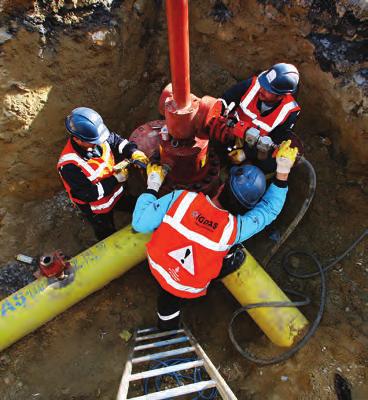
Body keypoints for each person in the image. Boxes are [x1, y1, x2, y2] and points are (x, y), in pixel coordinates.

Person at [132, 140, 298, 330]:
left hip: (156, 264)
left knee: (168, 296)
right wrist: (283, 171)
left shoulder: (183, 199)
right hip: (190, 286)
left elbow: (140, 223)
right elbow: (269, 210)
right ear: (248, 209)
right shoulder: (234, 229)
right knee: (235, 255)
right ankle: (170, 325)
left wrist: (153, 183)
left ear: (221, 187)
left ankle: (166, 326)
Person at [57, 107, 149, 241]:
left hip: (118, 192)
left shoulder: (97, 137)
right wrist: (116, 179)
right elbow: (88, 194)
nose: (100, 142)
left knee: (132, 203)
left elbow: (117, 141)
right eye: (95, 141)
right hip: (98, 210)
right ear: (77, 139)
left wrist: (134, 152)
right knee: (106, 233)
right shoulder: (69, 165)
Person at [219, 63, 300, 173]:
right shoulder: (252, 85)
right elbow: (226, 99)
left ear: (281, 96)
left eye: (268, 90)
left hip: (257, 146)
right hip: (232, 128)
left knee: (271, 164)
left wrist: (246, 154)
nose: (261, 90)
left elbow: (277, 140)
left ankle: (250, 170)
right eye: (263, 85)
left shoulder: (289, 111)